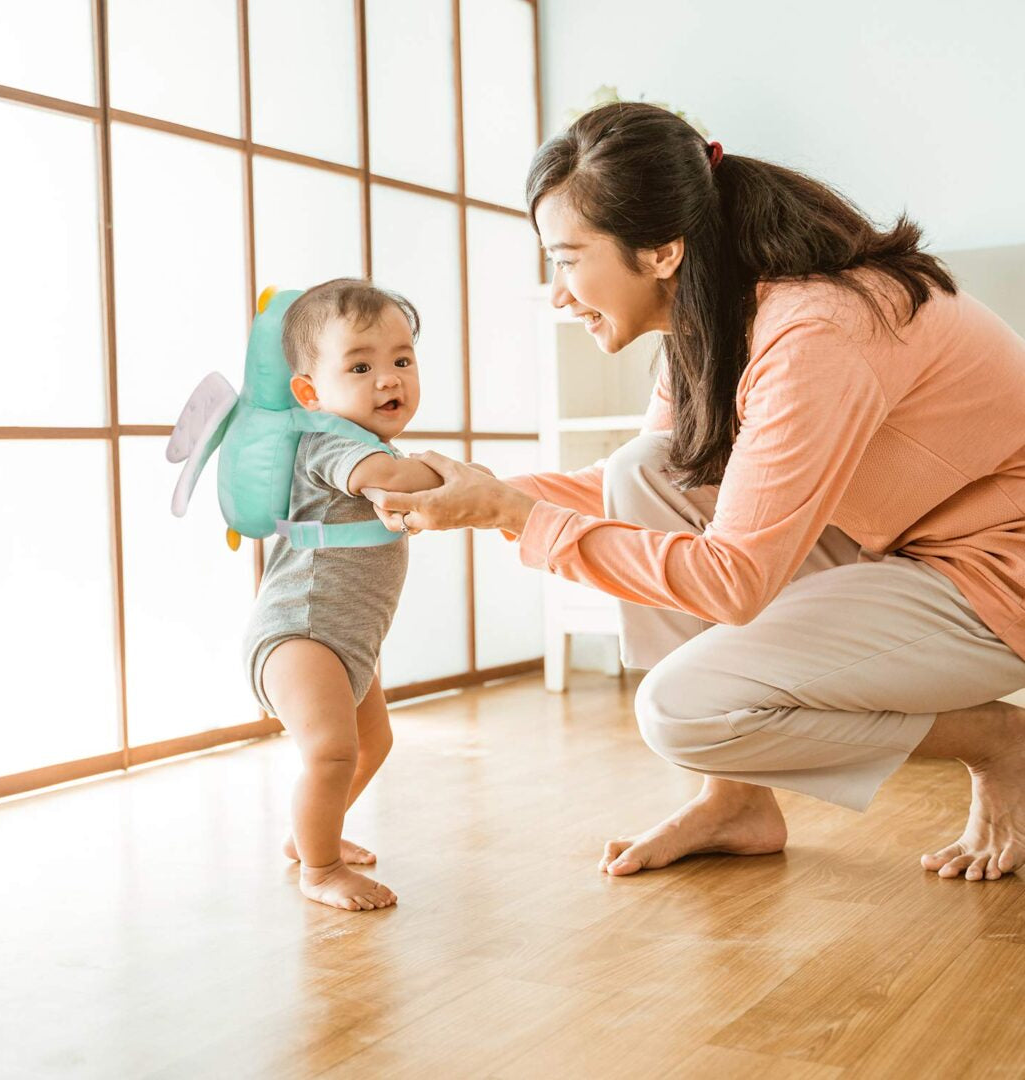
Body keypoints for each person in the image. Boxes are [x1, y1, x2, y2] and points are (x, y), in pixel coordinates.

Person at [363, 102, 1025, 884]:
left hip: (994, 573)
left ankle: (998, 742)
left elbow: (735, 580)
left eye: (569, 260)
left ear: (662, 251)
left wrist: (511, 515)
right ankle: (736, 803)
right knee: (642, 467)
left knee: (684, 710)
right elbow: (637, 486)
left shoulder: (818, 330)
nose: (559, 295)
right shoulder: (715, 313)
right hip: (903, 547)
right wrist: (464, 491)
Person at [242, 278, 442, 911]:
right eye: (361, 365)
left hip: (346, 637)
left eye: (401, 360)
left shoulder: (372, 441)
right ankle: (321, 868)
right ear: (311, 392)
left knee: (371, 743)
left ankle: (311, 834)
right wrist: (453, 473)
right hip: (302, 630)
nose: (389, 380)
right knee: (331, 750)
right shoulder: (332, 442)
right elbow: (384, 480)